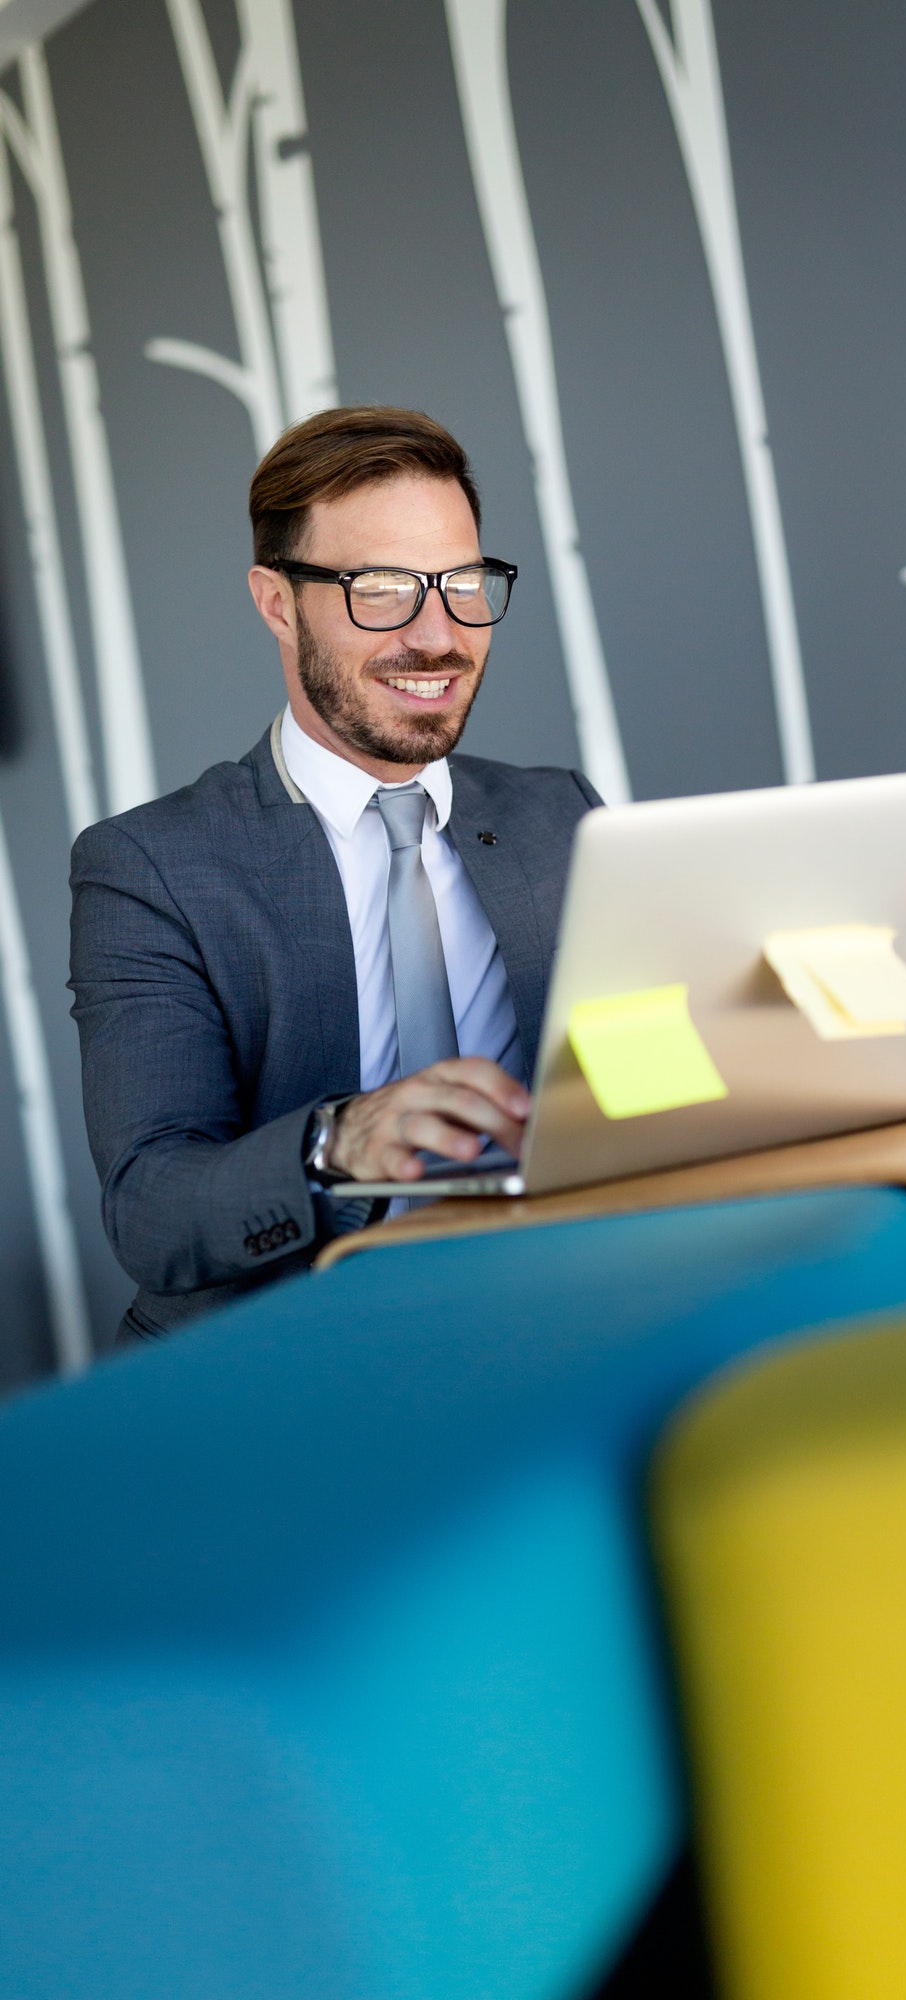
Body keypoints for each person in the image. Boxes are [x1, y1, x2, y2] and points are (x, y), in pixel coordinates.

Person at [70, 406, 600, 1345]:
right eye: (383, 590)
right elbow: (151, 1212)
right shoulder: (150, 868)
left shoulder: (557, 815)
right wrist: (341, 1143)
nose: (438, 635)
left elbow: (635, 1064)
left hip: (550, 1304)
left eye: (463, 584)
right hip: (296, 1352)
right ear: (278, 604)